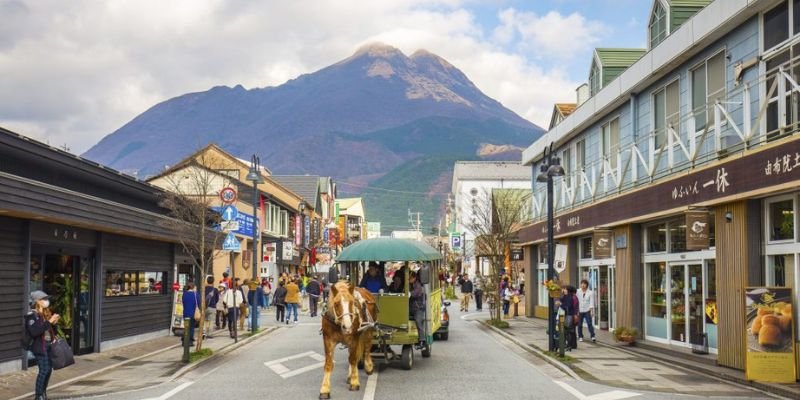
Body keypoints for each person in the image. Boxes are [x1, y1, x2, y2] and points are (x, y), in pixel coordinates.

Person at [26, 290, 59, 400]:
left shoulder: (45, 313)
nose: (46, 301)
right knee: (44, 370)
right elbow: (34, 332)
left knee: (49, 370)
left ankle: (43, 393)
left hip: (49, 345)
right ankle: (38, 395)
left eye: (46, 299)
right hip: (39, 347)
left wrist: (54, 324)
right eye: (44, 299)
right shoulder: (31, 316)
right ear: (37, 301)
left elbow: (49, 330)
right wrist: (49, 322)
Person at [409, 271, 426, 350]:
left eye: (410, 278)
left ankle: (422, 340)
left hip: (418, 308)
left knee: (418, 321)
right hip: (410, 307)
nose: (409, 279)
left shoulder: (418, 285)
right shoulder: (410, 284)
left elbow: (416, 293)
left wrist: (410, 293)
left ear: (414, 278)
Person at [560, 286, 579, 350]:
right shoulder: (567, 296)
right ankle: (572, 345)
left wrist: (561, 304)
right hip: (568, 315)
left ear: (568, 290)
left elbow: (568, 306)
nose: (564, 290)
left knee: (569, 330)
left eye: (565, 289)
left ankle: (570, 345)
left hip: (571, 315)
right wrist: (563, 295)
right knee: (570, 331)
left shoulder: (572, 297)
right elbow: (562, 300)